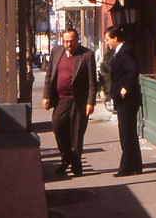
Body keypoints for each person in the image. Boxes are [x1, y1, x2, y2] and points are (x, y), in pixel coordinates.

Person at [43, 29, 97, 176]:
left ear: (77, 40)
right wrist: (46, 96)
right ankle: (67, 158)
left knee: (77, 133)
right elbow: (49, 75)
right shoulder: (56, 52)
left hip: (78, 101)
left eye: (71, 41)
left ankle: (76, 164)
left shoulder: (86, 55)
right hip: (61, 99)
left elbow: (93, 81)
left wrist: (90, 102)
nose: (69, 44)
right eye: (66, 41)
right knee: (57, 126)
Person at [104, 25, 143, 177]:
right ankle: (135, 165)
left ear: (115, 38)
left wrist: (125, 87)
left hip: (127, 100)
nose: (107, 42)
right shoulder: (119, 51)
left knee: (126, 133)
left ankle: (127, 166)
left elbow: (133, 70)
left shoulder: (125, 51)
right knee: (130, 133)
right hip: (124, 99)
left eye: (108, 39)